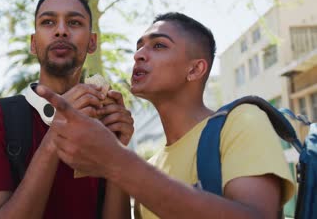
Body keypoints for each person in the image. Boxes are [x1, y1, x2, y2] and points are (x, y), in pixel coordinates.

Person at [36, 12, 295, 218]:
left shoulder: (242, 122)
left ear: (195, 69)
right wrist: (115, 149)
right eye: (139, 47)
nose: (138, 55)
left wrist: (116, 160)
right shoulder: (152, 165)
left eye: (158, 45)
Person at [0, 0, 133, 219]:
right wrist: (57, 132)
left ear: (92, 42)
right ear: (34, 44)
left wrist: (118, 151)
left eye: (74, 23)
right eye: (48, 22)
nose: (61, 31)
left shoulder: (101, 127)